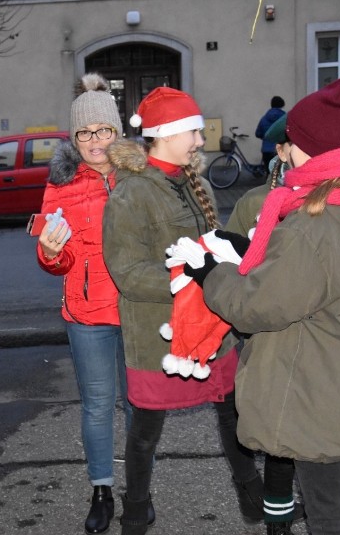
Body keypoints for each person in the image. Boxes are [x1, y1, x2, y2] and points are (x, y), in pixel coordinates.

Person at [192, 71, 340, 535]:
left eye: (291, 141)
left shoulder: (315, 227)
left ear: (315, 150)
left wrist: (211, 273)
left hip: (319, 399)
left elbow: (256, 305)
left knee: (330, 515)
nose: (283, 150)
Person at [102, 86, 262, 535]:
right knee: (145, 429)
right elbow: (128, 273)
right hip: (159, 337)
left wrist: (231, 254)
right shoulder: (130, 194)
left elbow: (214, 247)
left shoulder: (199, 183)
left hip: (213, 330)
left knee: (233, 414)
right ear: (165, 134)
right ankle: (135, 509)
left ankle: (254, 498)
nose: (199, 139)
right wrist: (190, 275)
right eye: (192, 130)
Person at [36, 72, 132, 534]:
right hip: (88, 312)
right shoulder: (61, 185)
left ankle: (141, 489)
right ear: (74, 139)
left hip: (138, 309)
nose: (96, 141)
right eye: (86, 133)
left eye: (104, 130)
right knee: (97, 405)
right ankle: (101, 491)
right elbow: (55, 254)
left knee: (140, 404)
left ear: (117, 132)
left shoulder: (140, 176)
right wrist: (52, 253)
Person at [224, 113, 304, 535]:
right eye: (296, 146)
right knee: (277, 437)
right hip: (265, 334)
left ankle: (306, 502)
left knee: (308, 431)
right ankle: (278, 523)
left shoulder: (324, 197)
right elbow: (229, 258)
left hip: (311, 335)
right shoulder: (255, 202)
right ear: (282, 151)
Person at [255, 96, 287, 168]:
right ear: (282, 105)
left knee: (269, 174)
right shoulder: (284, 118)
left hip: (266, 150)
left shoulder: (264, 118)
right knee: (281, 175)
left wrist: (266, 137)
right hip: (280, 151)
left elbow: (258, 133)